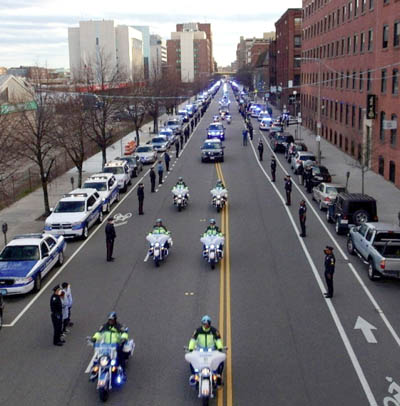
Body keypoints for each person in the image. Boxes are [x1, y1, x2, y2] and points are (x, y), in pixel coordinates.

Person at [188, 315, 224, 384]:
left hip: (212, 350)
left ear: (210, 324)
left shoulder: (214, 331)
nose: (206, 326)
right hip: (200, 350)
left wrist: (220, 348)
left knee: (221, 361)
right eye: (204, 324)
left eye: (207, 324)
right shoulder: (198, 331)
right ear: (202, 324)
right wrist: (190, 348)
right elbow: (193, 340)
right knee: (191, 360)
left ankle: (218, 375)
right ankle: (194, 374)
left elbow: (218, 340)